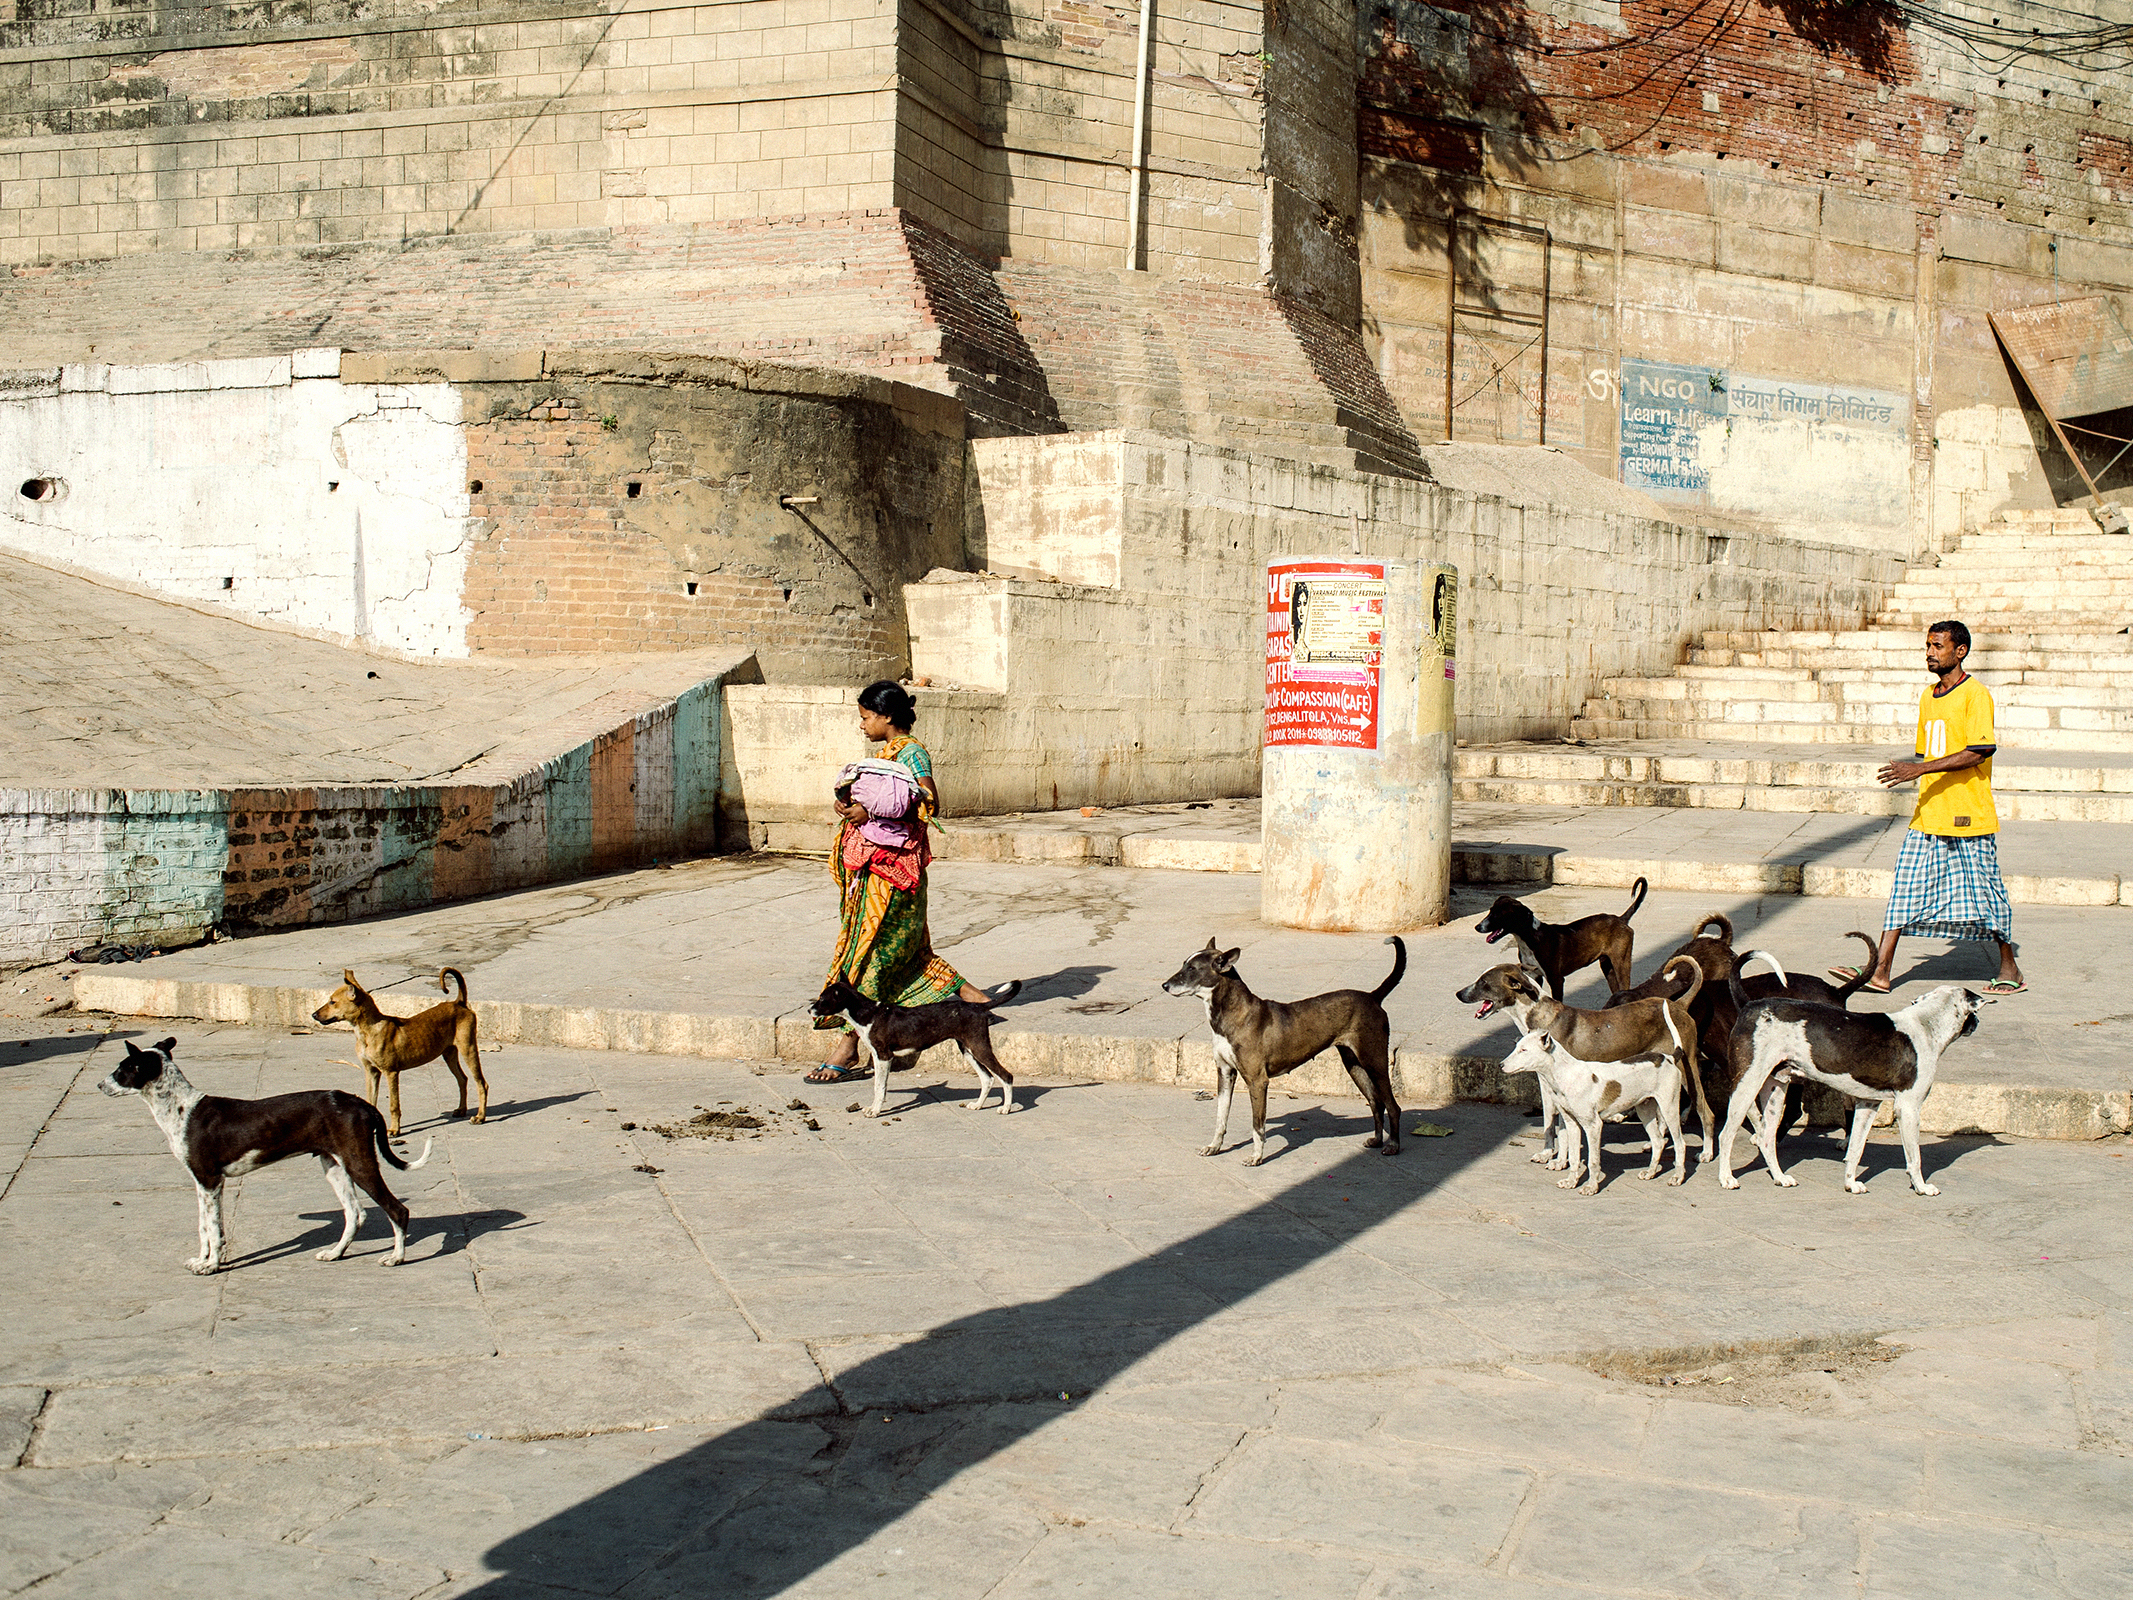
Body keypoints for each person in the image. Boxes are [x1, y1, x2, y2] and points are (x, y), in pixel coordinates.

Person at [806, 681, 997, 1083]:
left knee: (870, 955)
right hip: (876, 871)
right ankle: (975, 999)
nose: (862, 725)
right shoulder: (885, 754)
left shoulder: (912, 753)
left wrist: (872, 812)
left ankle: (848, 1047)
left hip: (894, 875)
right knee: (907, 952)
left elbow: (929, 799)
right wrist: (850, 805)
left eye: (866, 717)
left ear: (887, 716)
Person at [1834, 619, 2025, 995]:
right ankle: (1880, 971)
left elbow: (1978, 751)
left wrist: (1918, 769)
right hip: (1928, 813)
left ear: (1960, 651)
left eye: (1938, 646)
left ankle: (2010, 968)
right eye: (1927, 646)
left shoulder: (1976, 695)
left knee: (1987, 894)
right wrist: (1918, 771)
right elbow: (1930, 753)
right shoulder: (1928, 696)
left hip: (1968, 815)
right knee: (1904, 889)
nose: (1929, 653)